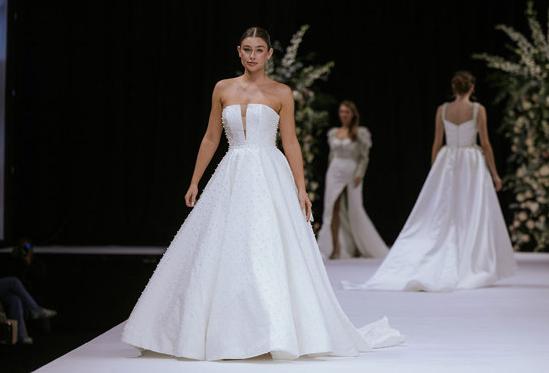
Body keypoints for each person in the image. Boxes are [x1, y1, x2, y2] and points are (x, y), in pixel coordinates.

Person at [121, 27, 403, 361]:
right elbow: (211, 137)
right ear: (238, 52)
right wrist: (195, 180)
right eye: (247, 49)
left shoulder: (281, 92)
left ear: (269, 54)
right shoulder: (223, 88)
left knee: (265, 246)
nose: (252, 55)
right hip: (231, 172)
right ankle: (216, 331)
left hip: (269, 175)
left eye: (259, 49)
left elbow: (291, 141)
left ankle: (272, 330)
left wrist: (301, 188)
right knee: (222, 248)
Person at [343, 71, 517, 291]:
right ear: (471, 88)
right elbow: (486, 144)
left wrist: (436, 169)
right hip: (471, 161)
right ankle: (469, 257)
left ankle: (450, 252)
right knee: (470, 211)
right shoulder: (477, 109)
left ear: (454, 89)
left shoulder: (442, 110)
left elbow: (436, 142)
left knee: (448, 212)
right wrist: (494, 173)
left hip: (448, 160)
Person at [317, 101, 388, 259]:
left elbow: (364, 157)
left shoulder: (360, 133)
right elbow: (331, 156)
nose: (344, 115)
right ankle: (334, 247)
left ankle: (359, 245)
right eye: (341, 112)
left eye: (347, 112)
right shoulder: (334, 132)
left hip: (351, 170)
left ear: (353, 114)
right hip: (335, 170)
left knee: (354, 209)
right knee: (332, 208)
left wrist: (359, 174)